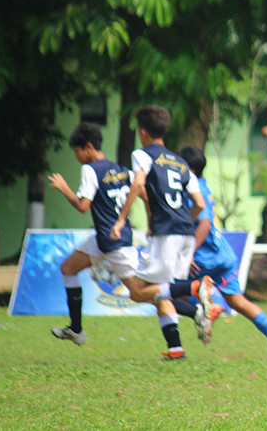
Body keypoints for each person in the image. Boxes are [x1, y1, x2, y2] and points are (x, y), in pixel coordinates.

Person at [162, 145, 267, 357]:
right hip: (221, 255)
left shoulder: (196, 190)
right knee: (236, 301)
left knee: (163, 292)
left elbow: (203, 224)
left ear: (190, 171)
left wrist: (188, 253)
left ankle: (188, 331)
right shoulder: (203, 185)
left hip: (203, 257)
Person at [110, 105, 207, 360]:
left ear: (143, 132)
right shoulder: (181, 162)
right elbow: (199, 204)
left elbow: (139, 183)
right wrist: (184, 222)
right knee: (161, 291)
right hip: (185, 232)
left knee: (138, 291)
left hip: (167, 234)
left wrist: (121, 219)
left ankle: (196, 288)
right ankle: (176, 348)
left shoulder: (143, 155)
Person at [46, 122, 136, 346]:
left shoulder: (90, 169)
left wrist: (64, 188)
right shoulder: (120, 169)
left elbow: (83, 206)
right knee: (68, 268)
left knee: (140, 291)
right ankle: (76, 329)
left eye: (77, 151)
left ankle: (192, 303)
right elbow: (139, 189)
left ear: (88, 147)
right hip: (110, 236)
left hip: (112, 241)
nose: (76, 157)